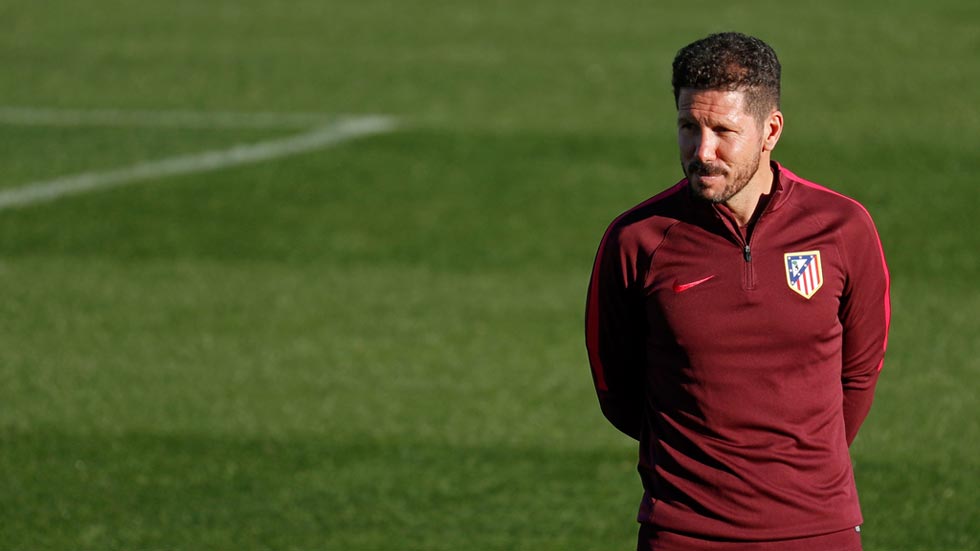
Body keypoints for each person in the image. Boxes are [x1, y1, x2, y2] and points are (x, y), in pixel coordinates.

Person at [585, 32, 890, 551]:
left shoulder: (843, 228)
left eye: (723, 131)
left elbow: (859, 373)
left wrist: (800, 469)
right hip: (684, 533)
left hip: (818, 531)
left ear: (771, 130)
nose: (702, 152)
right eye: (688, 127)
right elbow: (616, 389)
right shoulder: (637, 239)